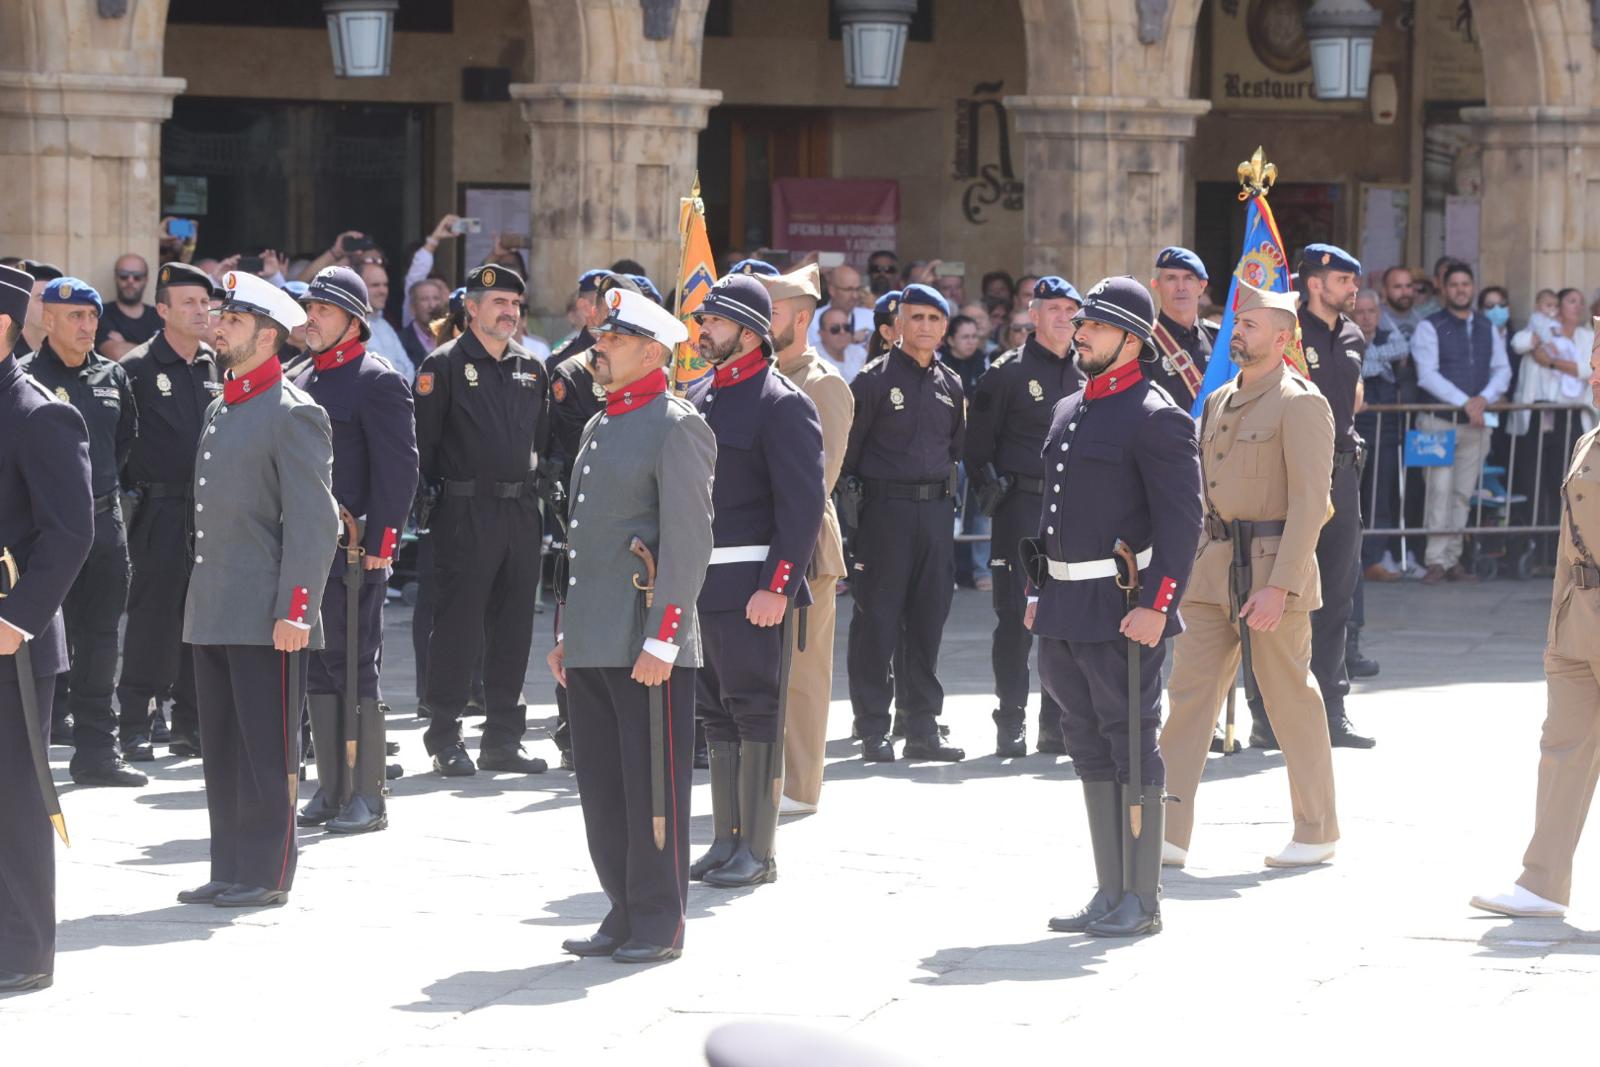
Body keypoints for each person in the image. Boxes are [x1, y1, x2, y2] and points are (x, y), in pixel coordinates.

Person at [1026, 275, 1203, 937]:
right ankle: (1109, 889)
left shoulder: (1157, 415)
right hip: (1066, 602)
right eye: (1080, 323)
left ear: (1132, 339)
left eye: (1094, 325)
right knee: (1086, 743)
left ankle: (1141, 895)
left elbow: (1183, 523)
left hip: (1125, 603)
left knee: (1131, 741)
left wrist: (1160, 605)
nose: (1081, 333)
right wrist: (1038, 590)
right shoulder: (1071, 408)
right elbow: (1052, 513)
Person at [546, 286, 715, 965]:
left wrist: (663, 636)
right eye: (599, 337)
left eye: (612, 340)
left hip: (647, 640)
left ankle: (658, 920)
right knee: (604, 787)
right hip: (595, 637)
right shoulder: (599, 423)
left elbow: (688, 539)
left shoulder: (676, 426)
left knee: (650, 788)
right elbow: (588, 544)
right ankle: (621, 908)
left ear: (652, 352)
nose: (598, 347)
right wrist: (569, 635)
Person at [1157, 280, 1340, 870]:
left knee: (1290, 702)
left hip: (1270, 572)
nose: (1238, 332)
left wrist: (1280, 585)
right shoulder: (1217, 399)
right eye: (1237, 324)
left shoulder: (1301, 402)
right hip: (1211, 569)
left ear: (1283, 337)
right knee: (1188, 699)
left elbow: (1313, 505)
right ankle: (1166, 832)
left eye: (1252, 325)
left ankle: (1316, 830)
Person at [178, 271, 338, 909]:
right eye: (222, 317)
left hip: (268, 612)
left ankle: (267, 871)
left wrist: (296, 610)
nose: (219, 326)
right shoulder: (225, 404)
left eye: (234, 321)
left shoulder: (294, 412)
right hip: (214, 604)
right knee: (221, 747)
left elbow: (313, 519)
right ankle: (230, 866)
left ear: (268, 336)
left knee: (266, 747)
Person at [684, 275, 824, 888]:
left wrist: (779, 584)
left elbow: (803, 506)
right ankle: (726, 838)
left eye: (713, 322)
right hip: (701, 585)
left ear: (749, 330)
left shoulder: (781, 401)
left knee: (755, 709)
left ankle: (758, 849)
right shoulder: (700, 394)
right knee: (715, 714)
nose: (702, 331)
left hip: (751, 587)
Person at [1471, 355, 1600, 919]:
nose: (1593, 375)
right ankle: (1543, 884)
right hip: (1579, 617)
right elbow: (1568, 546)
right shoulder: (1589, 438)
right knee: (1561, 750)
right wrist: (1557, 624)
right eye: (1594, 363)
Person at [291, 267, 418, 834]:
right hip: (306, 550)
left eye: (323, 309)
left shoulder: (376, 380)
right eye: (309, 307)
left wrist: (382, 544)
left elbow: (400, 469)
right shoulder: (300, 376)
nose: (310, 316)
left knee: (355, 663)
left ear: (352, 320)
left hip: (353, 549)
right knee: (317, 662)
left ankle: (367, 791)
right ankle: (332, 786)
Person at [413, 264, 551, 777]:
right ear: (470, 308)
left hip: (519, 511)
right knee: (458, 627)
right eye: (497, 302)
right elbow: (421, 447)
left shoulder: (531, 368)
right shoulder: (443, 366)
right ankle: (445, 735)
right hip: (463, 512)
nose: (509, 312)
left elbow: (541, 442)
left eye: (515, 303)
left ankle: (502, 738)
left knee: (514, 628)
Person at [0, 263, 94, 993]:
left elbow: (70, 533)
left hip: (10, 639)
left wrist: (18, 619)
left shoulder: (38, 412)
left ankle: (23, 949)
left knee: (16, 797)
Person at [1246, 245, 1374, 751]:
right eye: (1344, 280)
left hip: (1339, 471)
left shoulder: (1353, 334)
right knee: (1275, 590)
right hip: (1285, 471)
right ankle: (1265, 715)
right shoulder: (1285, 333)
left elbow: (1352, 394)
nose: (1354, 290)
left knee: (1337, 594)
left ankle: (1333, 709)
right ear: (1316, 283)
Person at [21, 279, 143, 787]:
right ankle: (28, 750)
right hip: (41, 532)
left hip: (101, 523)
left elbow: (124, 445)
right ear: (47, 321)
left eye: (92, 317)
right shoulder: (25, 379)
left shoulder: (113, 376)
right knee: (33, 639)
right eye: (74, 317)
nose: (87, 327)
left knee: (99, 640)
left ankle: (97, 752)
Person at [842, 284, 966, 763]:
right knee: (878, 620)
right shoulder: (871, 381)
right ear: (897, 324)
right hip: (883, 515)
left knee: (928, 620)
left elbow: (955, 449)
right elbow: (849, 458)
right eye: (916, 318)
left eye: (935, 319)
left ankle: (921, 727)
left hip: (934, 514)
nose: (926, 327)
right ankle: (874, 726)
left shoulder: (950, 385)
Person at [965, 276, 1084, 758]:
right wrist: (994, 494)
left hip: (1074, 512)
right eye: (1052, 308)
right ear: (1032, 315)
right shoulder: (1004, 375)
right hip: (1020, 510)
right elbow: (976, 451)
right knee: (1015, 620)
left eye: (1070, 310)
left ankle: (1055, 724)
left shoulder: (1088, 373)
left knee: (1065, 621)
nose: (1062, 317)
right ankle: (1009, 720)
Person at [115, 263, 222, 761]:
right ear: (162, 311)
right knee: (152, 618)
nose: (201, 311)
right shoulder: (135, 369)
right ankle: (136, 721)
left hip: (210, 512)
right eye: (188, 303)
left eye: (205, 303)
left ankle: (191, 723)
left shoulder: (214, 364)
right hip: (157, 509)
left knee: (201, 619)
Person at [759, 265, 854, 814]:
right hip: (757, 544)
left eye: (769, 311)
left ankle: (798, 787)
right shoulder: (761, 377)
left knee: (803, 675)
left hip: (806, 547)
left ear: (800, 317)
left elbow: (820, 481)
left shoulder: (823, 383)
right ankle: (769, 779)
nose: (758, 321)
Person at [547, 272, 640, 770]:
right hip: (582, 515)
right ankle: (573, 733)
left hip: (636, 524)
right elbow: (560, 452)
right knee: (579, 626)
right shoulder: (573, 372)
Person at [1411, 261, 1512, 584]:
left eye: (1465, 284)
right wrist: (1466, 402)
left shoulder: (1487, 327)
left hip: (1476, 425)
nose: (1460, 290)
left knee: (1462, 493)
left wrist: (1483, 398)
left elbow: (1503, 371)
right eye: (1454, 285)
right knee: (1438, 491)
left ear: (1472, 287)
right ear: (1444, 288)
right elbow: (1427, 375)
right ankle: (1435, 560)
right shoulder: (1429, 326)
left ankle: (1453, 558)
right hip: (1438, 423)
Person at [1354, 288, 1410, 584]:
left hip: (1387, 430)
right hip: (1357, 429)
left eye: (1371, 311)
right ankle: (1354, 559)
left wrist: (1368, 362)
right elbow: (1355, 367)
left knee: (1381, 498)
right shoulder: (1346, 339)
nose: (1366, 318)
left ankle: (1373, 559)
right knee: (1356, 498)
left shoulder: (1390, 337)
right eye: (1360, 312)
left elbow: (1401, 349)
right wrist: (1376, 364)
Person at [1146, 246, 1215, 412]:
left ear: (1202, 285)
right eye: (1171, 278)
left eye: (1189, 278)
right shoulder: (1143, 343)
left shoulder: (1218, 339)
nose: (1180, 287)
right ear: (1156, 285)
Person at [357, 260, 414, 383]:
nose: (383, 291)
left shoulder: (385, 325)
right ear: (358, 288)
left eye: (385, 285)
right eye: (375, 285)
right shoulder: (351, 328)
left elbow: (409, 369)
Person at [96, 254, 161, 360]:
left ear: (146, 280)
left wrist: (126, 345)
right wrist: (158, 352)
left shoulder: (160, 316)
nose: (130, 281)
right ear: (115, 278)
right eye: (124, 276)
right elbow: (118, 354)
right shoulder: (101, 314)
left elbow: (177, 354)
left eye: (137, 277)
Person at [807, 264, 872, 349]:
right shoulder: (812, 321)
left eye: (857, 289)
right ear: (832, 290)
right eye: (848, 289)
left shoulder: (871, 317)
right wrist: (851, 341)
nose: (855, 296)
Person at [401, 277, 449, 372]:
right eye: (424, 299)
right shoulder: (401, 341)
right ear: (413, 307)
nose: (432, 305)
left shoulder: (451, 337)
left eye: (436, 298)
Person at [815, 304, 867, 382]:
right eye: (835, 329)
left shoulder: (859, 353)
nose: (842, 332)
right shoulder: (813, 359)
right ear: (821, 333)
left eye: (846, 327)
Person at [1379, 265, 1421, 342]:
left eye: (1408, 286)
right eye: (1397, 287)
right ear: (1384, 290)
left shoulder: (1422, 319)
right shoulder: (1374, 320)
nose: (1405, 292)